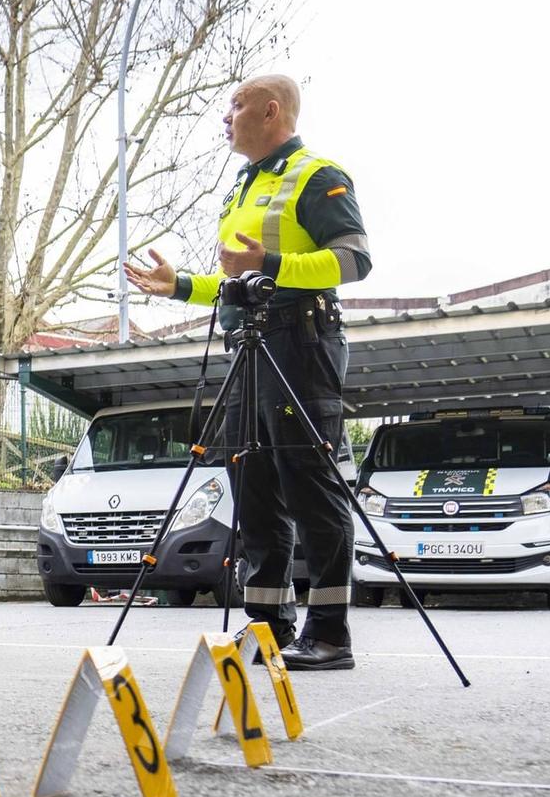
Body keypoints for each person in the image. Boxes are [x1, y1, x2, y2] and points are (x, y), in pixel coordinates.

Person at [124, 74, 371, 671]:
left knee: (310, 484)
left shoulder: (317, 174)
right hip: (251, 345)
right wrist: (180, 285)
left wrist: (274, 262)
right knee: (254, 490)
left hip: (302, 342)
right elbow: (243, 283)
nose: (225, 118)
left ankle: (331, 634)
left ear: (270, 110)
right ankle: (268, 627)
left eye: (234, 106)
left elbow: (353, 259)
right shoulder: (243, 186)